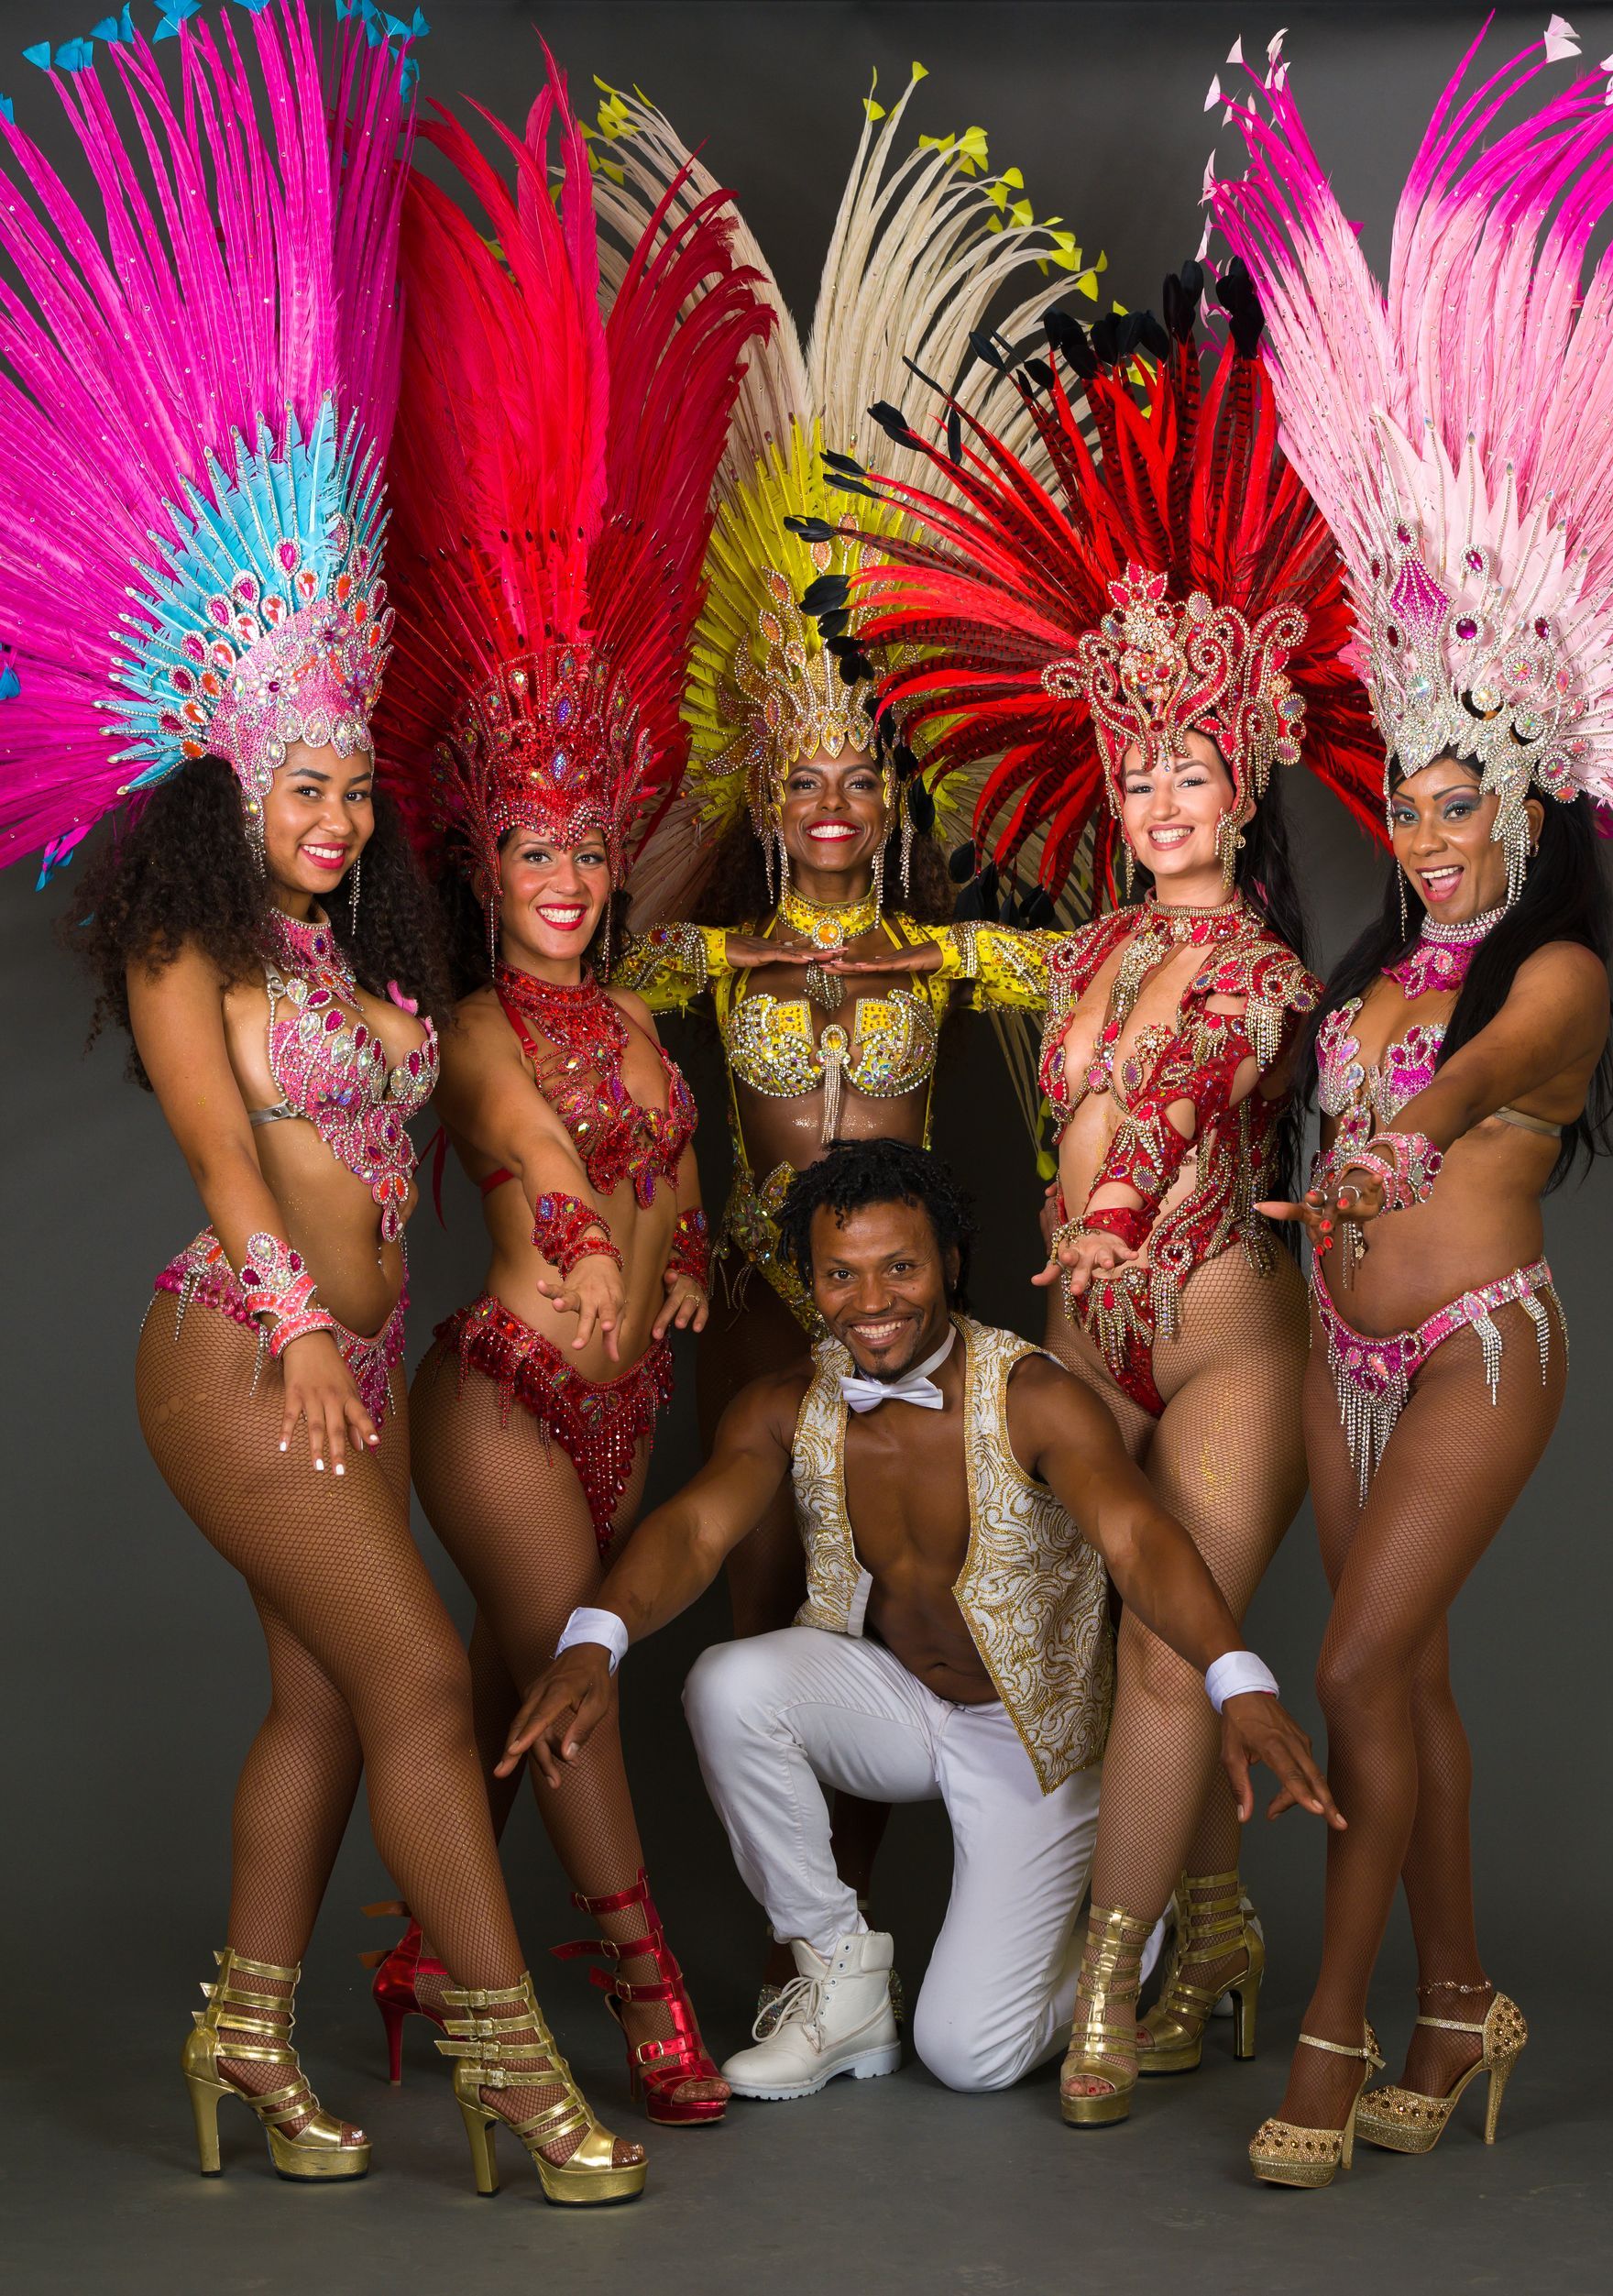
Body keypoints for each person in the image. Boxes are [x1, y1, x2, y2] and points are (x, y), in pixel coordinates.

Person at [0, 5, 643, 2203]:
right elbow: (210, 1139)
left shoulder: (360, 954)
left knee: (311, 1702)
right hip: (239, 1342)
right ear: (227, 776)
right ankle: (510, 2061)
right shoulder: (181, 938)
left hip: (344, 1358)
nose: (340, 804)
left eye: (355, 780)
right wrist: (289, 1319)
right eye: (306, 776)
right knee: (417, 1674)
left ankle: (245, 2042)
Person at [1210, 15, 1613, 2184]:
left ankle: (1337, 2038)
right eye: (1414, 801)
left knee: (1353, 1660)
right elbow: (1350, 1080)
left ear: (1532, 810)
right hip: (1339, 1341)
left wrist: (1407, 1135)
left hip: (1469, 1347)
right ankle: (1463, 1995)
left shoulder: (1548, 974)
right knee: (1406, 1685)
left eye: (1469, 805)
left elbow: (1508, 1074)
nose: (1433, 833)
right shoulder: (1379, 958)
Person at [832, 270, 1384, 2120]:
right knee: (1061, 1635)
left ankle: (1106, 1980)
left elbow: (1217, 1115)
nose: (1161, 796)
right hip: (1079, 1352)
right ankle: (1206, 1924)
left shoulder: (1273, 983)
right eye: (1137, 769)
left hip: (1217, 1334)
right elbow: (883, 959)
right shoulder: (1069, 964)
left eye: (1194, 770)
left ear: (1245, 787)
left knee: (1170, 1645)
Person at [590, 72, 1080, 2002]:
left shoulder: (946, 948)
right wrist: (702, 785)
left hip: (914, 1302)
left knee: (914, 1581)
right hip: (757, 1293)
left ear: (890, 791)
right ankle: (829, 1936)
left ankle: (945, 1886)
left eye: (849, 774)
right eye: (794, 775)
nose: (823, 800)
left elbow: (1096, 960)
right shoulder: (709, 962)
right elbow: (599, 979)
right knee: (765, 1579)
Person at [362, 61, 768, 2126]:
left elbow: (672, 1163)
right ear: (478, 864)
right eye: (528, 850)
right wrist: (599, 1230)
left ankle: (430, 1953)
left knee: (555, 1674)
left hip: (635, 1395)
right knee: (593, 1681)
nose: (564, 873)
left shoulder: (640, 993)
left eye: (584, 849)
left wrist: (686, 1261)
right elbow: (525, 1144)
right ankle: (646, 2004)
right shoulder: (475, 1025)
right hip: (512, 1390)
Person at [499, 1140, 1343, 2102]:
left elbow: (1140, 1541)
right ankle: (841, 1979)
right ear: (810, 1280)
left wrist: (1239, 1679)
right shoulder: (790, 1400)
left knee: (968, 2055)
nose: (872, 1302)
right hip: (901, 1705)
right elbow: (695, 1529)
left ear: (948, 1262)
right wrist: (590, 1645)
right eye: (841, 1275)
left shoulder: (1033, 1397)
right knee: (728, 1685)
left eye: (899, 1267)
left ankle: (1138, 1929)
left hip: (1033, 1740)